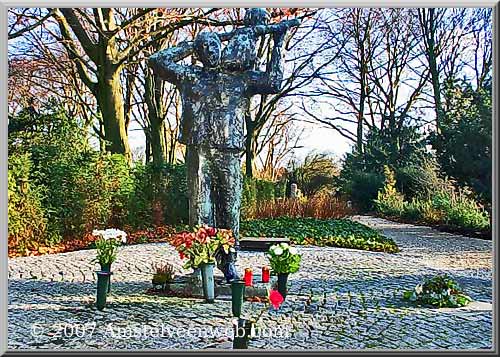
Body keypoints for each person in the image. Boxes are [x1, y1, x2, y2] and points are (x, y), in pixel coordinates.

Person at [148, 11, 298, 283]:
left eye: (215, 45)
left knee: (230, 208)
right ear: (199, 53)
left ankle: (229, 262)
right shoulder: (189, 75)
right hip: (199, 150)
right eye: (204, 47)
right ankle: (201, 262)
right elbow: (156, 60)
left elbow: (274, 82)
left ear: (222, 47)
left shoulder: (240, 77)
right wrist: (189, 45)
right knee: (200, 208)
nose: (211, 51)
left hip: (229, 150)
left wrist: (278, 44)